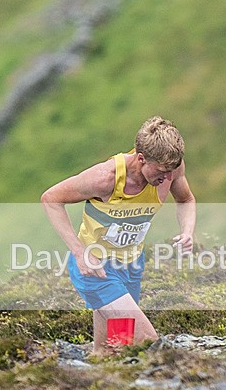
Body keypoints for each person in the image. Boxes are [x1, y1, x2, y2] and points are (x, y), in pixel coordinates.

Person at [41, 116, 196, 355]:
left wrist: (187, 231)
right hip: (97, 269)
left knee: (113, 349)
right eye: (162, 171)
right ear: (141, 158)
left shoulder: (172, 169)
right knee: (146, 341)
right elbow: (51, 199)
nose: (167, 178)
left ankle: (96, 384)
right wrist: (79, 252)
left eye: (171, 171)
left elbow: (186, 199)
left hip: (131, 267)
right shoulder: (105, 178)